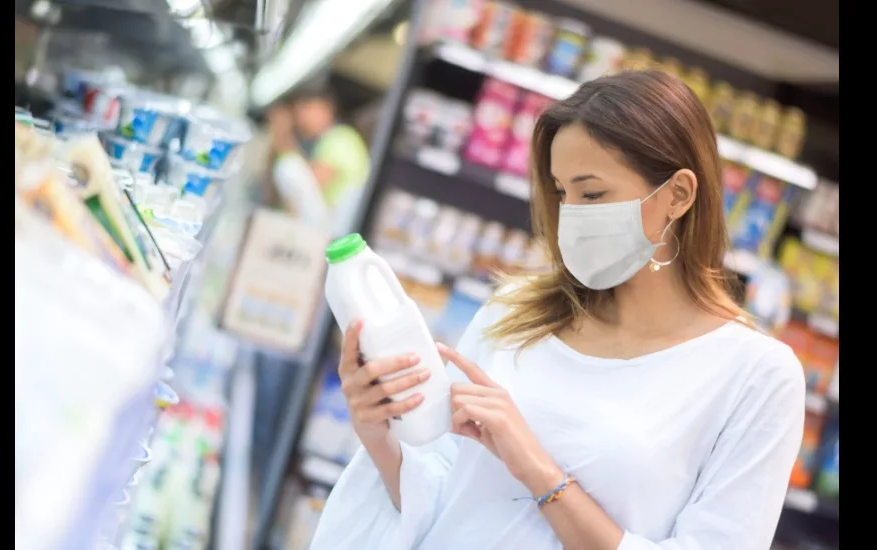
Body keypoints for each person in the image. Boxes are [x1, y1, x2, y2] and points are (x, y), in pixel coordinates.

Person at [310, 70, 805, 550]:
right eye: (563, 193)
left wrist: (538, 471)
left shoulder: (755, 375)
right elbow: (439, 493)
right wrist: (379, 434)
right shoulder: (514, 313)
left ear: (677, 195)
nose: (572, 215)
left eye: (593, 193)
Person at [267, 87, 370, 235]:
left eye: (306, 109)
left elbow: (313, 183)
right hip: (336, 222)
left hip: (339, 226)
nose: (300, 119)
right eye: (297, 113)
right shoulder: (329, 140)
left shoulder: (340, 137)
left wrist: (282, 133)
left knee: (288, 166)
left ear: (326, 108)